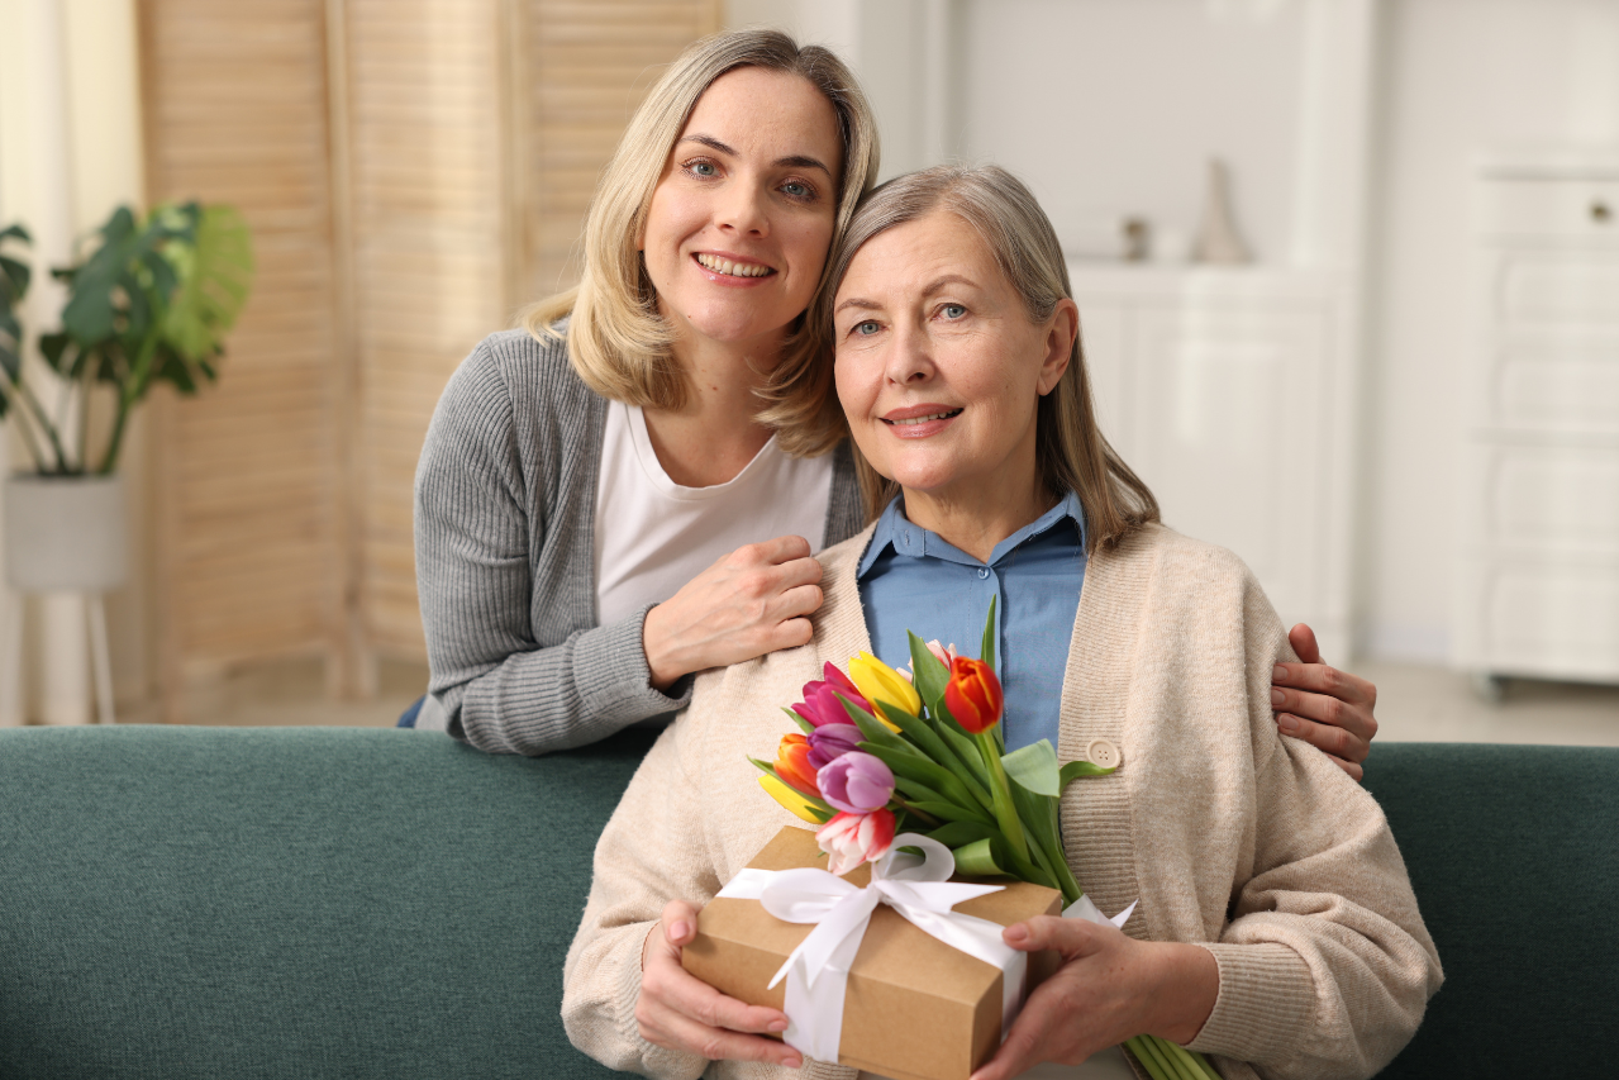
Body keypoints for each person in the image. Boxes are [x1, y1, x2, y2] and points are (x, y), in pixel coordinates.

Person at [561, 165, 1442, 1080]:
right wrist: (655, 987)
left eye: (949, 311)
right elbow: (605, 963)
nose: (903, 362)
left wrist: (1164, 991)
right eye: (864, 326)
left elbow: (1379, 962)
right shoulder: (774, 627)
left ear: (1052, 346)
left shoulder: (1201, 605)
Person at [409, 29, 1380, 776]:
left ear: (838, 238)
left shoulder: (881, 413)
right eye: (703, 167)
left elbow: (1027, 585)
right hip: (533, 796)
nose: (741, 214)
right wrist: (661, 645)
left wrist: (1248, 703)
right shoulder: (513, 398)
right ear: (640, 200)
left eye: (795, 187)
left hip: (762, 823)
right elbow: (465, 700)